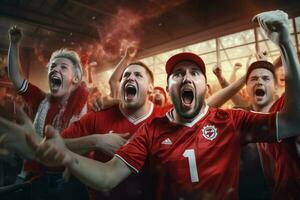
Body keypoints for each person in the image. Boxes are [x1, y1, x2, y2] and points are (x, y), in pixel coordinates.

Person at [16, 10, 300, 199]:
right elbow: (106, 176)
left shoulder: (230, 121)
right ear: (170, 87)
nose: (186, 78)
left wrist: (285, 42)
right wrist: (69, 156)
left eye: (194, 73)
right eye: (178, 74)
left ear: (204, 85)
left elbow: (292, 121)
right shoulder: (152, 130)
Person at [7, 26, 89, 199]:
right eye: (52, 66)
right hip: (41, 176)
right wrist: (14, 44)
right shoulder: (40, 99)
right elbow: (15, 77)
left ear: (75, 79)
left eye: (63, 67)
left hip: (72, 177)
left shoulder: (86, 106)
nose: (55, 69)